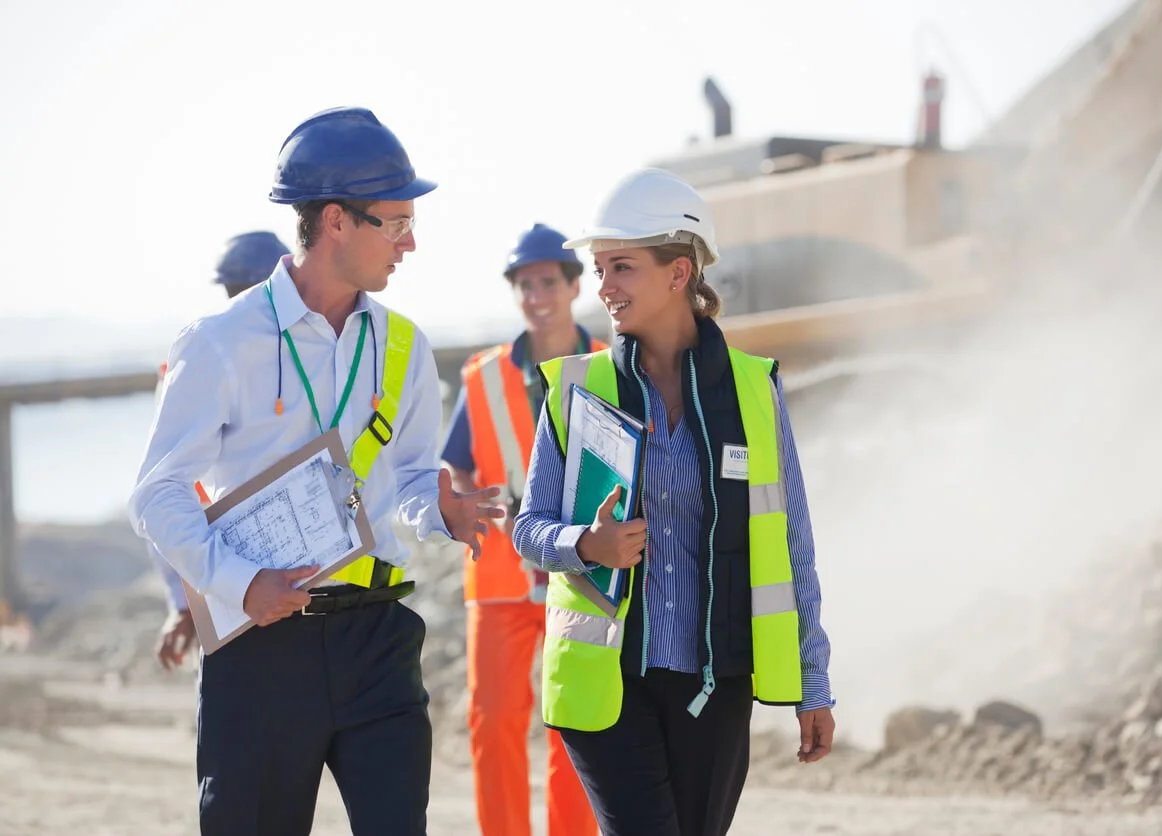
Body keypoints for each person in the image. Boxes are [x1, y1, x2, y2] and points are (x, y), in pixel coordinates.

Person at [128, 106, 502, 836]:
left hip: (378, 638)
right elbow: (158, 495)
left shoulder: (405, 345)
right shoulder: (218, 343)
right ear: (336, 221)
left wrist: (442, 510)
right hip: (261, 648)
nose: (411, 243)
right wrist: (240, 585)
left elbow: (416, 478)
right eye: (396, 223)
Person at [512, 168, 836, 836]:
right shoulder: (580, 389)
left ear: (679, 272)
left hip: (713, 684)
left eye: (621, 267)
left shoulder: (752, 392)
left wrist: (813, 681)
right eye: (599, 269)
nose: (603, 288)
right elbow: (529, 526)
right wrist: (584, 546)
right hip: (606, 684)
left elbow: (792, 545)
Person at [441, 223, 602, 836]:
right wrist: (468, 504)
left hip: (586, 569)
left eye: (547, 283)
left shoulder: (611, 365)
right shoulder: (481, 378)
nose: (536, 295)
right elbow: (455, 463)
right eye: (525, 285)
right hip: (503, 574)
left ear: (573, 286)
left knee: (576, 724)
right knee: (494, 720)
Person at [151, 231, 291, 671]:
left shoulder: (308, 364)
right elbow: (165, 495)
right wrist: (183, 599)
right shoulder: (196, 367)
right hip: (227, 582)